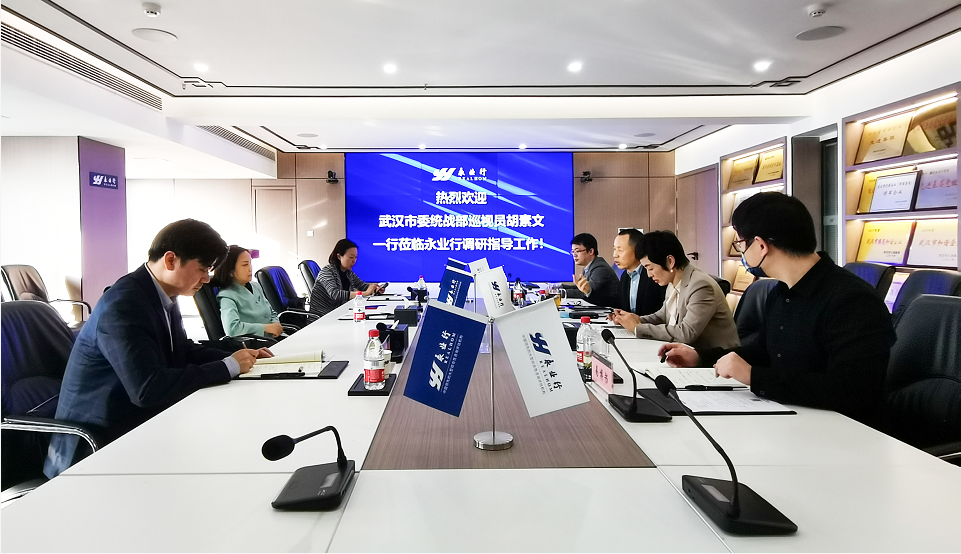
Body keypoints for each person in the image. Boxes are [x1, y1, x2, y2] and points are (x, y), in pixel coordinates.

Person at [44, 219, 273, 478]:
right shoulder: (123, 304)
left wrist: (239, 357)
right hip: (96, 446)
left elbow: (180, 351)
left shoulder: (160, 293)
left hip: (140, 426)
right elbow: (147, 389)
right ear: (171, 260)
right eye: (203, 269)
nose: (207, 279)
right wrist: (228, 366)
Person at [658, 192, 895, 427]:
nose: (741, 252)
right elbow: (764, 352)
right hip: (790, 419)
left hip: (842, 432)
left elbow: (852, 391)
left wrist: (754, 377)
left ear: (761, 245)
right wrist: (701, 357)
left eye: (740, 243)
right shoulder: (781, 292)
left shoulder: (852, 300)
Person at [612, 231, 739, 350]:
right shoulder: (674, 281)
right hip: (687, 353)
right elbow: (662, 316)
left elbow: (686, 333)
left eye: (650, 268)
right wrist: (634, 319)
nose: (649, 275)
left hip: (716, 358)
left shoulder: (700, 285)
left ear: (670, 261)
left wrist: (638, 328)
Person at [211, 245, 284, 338]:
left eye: (250, 263)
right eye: (245, 265)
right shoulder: (227, 295)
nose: (250, 268)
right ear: (230, 271)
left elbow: (271, 312)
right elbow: (232, 329)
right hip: (257, 343)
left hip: (274, 337)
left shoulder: (256, 286)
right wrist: (265, 328)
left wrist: (276, 324)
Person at [309, 238, 384, 318]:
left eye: (355, 257)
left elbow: (361, 285)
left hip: (339, 313)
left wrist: (375, 288)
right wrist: (364, 294)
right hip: (323, 317)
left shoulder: (348, 273)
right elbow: (335, 294)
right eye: (351, 257)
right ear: (339, 256)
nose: (354, 261)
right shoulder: (327, 271)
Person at [605, 228, 665, 315]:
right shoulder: (625, 276)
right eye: (614, 249)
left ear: (637, 250)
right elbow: (619, 305)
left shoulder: (653, 274)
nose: (615, 255)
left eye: (620, 250)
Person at [571, 233, 620, 307]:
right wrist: (560, 287)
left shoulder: (600, 268)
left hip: (610, 310)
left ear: (591, 251)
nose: (574, 255)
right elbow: (580, 288)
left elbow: (586, 291)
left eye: (577, 251)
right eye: (573, 251)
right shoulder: (589, 267)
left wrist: (559, 293)